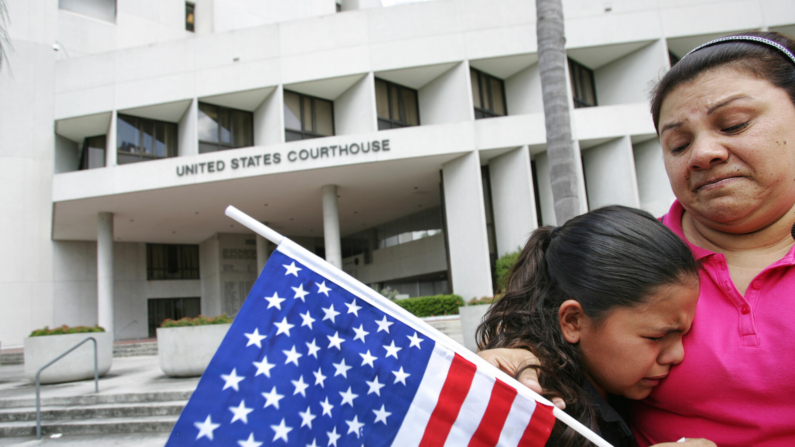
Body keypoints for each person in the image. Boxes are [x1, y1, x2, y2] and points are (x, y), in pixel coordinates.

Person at [479, 31, 795, 447]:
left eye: (734, 124)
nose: (704, 153)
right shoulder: (629, 260)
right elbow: (550, 354)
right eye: (678, 144)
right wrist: (520, 362)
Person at [478, 206, 702, 447]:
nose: (678, 355)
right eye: (656, 337)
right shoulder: (539, 408)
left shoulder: (616, 389)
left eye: (684, 333)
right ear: (573, 321)